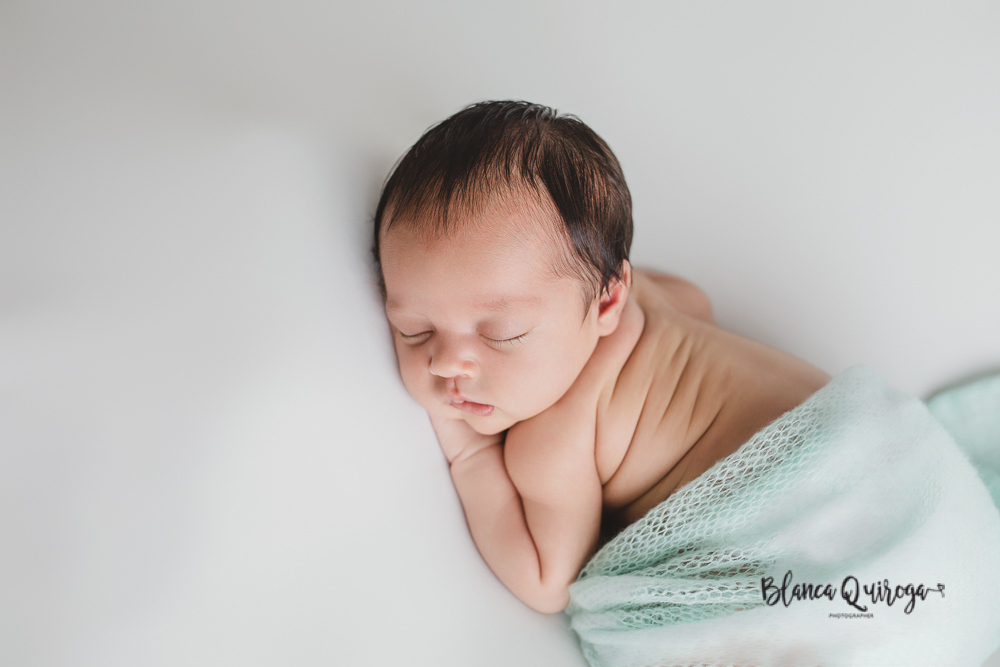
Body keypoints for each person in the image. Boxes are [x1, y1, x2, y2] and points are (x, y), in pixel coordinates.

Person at [373, 101, 1000, 666]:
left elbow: (545, 580)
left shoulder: (551, 441)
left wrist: (472, 450)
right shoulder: (648, 298)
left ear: (606, 300)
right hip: (919, 495)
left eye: (503, 333)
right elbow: (695, 300)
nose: (451, 365)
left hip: (816, 511)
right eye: (413, 330)